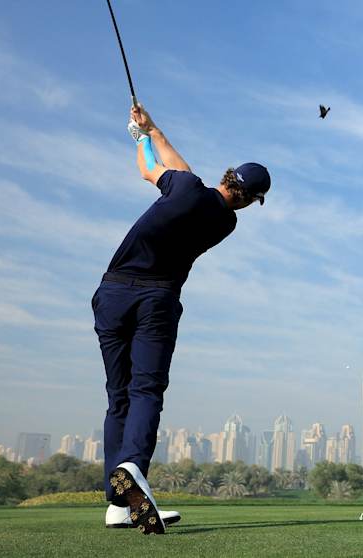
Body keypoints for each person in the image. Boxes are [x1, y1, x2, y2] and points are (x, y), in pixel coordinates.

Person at [93, 104, 271, 534]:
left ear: (227, 176)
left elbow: (150, 170)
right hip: (157, 299)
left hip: (112, 292)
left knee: (119, 396)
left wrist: (139, 138)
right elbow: (181, 171)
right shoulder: (224, 222)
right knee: (146, 390)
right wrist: (152, 129)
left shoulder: (188, 189)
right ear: (249, 201)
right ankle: (132, 468)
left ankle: (118, 503)